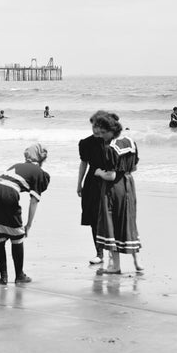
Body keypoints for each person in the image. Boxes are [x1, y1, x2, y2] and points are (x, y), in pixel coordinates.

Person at [0, 143, 50, 285]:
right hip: (6, 191)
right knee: (17, 236)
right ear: (41, 158)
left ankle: (3, 277)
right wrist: (28, 225)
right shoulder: (39, 172)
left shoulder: (17, 165)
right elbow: (34, 201)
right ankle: (19, 275)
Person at [93, 113, 143, 274]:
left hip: (113, 188)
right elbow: (134, 168)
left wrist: (99, 172)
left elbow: (111, 175)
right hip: (129, 184)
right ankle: (137, 262)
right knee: (129, 220)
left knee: (110, 223)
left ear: (110, 130)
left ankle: (116, 266)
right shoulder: (130, 141)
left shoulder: (110, 148)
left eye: (102, 132)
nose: (100, 135)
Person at [77, 111, 113, 266]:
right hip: (92, 181)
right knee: (94, 218)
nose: (96, 129)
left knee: (111, 217)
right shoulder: (86, 143)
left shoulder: (113, 141)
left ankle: (113, 252)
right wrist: (79, 183)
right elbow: (84, 163)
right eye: (93, 126)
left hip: (111, 180)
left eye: (99, 126)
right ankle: (99, 253)